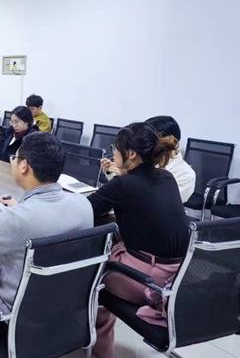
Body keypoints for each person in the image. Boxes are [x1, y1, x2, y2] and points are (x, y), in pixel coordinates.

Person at [0, 132, 93, 357]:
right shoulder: (83, 205)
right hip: (65, 312)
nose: (12, 162)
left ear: (24, 166)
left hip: (16, 321)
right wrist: (18, 209)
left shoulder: (15, 220)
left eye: (15, 158)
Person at [87, 122, 190, 358]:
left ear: (131, 154)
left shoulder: (123, 185)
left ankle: (100, 349)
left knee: (90, 270)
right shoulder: (166, 177)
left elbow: (86, 209)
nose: (113, 153)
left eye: (115, 148)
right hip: (180, 275)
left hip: (148, 280)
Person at [100, 115, 196, 203]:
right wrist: (111, 171)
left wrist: (126, 177)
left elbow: (161, 201)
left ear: (170, 139)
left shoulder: (186, 175)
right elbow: (119, 187)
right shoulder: (143, 158)